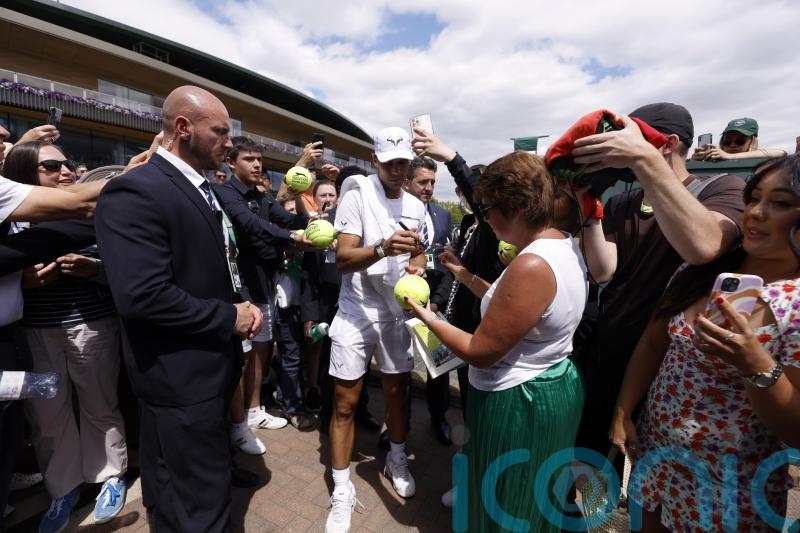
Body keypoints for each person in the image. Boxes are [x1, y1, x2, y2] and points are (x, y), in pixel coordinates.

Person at [95, 85, 263, 532]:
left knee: (180, 494)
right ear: (184, 128)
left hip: (204, 375)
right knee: (199, 506)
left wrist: (239, 300)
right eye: (221, 131)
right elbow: (144, 296)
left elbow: (209, 266)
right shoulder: (135, 191)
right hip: (178, 381)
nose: (229, 143)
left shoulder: (199, 189)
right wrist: (231, 317)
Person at [610, 154, 800, 532]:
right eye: (753, 198)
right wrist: (623, 411)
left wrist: (756, 366)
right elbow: (652, 343)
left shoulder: (794, 304)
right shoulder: (702, 270)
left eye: (779, 203)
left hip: (729, 485)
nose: (756, 212)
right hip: (655, 457)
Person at [405, 150, 588, 532]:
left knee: (507, 502)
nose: (484, 217)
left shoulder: (531, 264)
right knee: (529, 496)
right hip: (549, 385)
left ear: (518, 206)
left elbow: (480, 351)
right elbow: (514, 307)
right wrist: (463, 273)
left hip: (520, 400)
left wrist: (427, 317)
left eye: (488, 208)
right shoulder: (561, 243)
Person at [568, 103, 746, 478]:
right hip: (612, 353)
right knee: (590, 463)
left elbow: (704, 246)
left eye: (636, 139)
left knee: (653, 474)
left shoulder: (722, 188)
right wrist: (589, 210)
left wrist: (646, 165)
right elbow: (603, 271)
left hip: (670, 366)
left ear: (667, 144)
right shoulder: (624, 200)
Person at [3, 141, 127, 531]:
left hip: (92, 324)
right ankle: (62, 490)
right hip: (35, 334)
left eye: (67, 164)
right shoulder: (14, 220)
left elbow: (125, 269)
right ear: (28, 175)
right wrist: (24, 280)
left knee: (99, 403)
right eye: (51, 166)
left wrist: (93, 268)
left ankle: (109, 477)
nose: (66, 171)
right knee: (46, 414)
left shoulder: (93, 214)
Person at [324, 127, 426, 533]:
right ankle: (342, 487)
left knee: (398, 397)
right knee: (345, 403)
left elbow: (418, 254)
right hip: (354, 311)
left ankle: (395, 460)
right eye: (390, 163)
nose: (398, 169)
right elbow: (343, 258)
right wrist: (382, 247)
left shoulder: (416, 204)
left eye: (404, 162)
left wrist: (416, 269)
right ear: (375, 161)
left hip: (394, 313)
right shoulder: (357, 195)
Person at [401, 156, 453, 445]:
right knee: (399, 367)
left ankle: (439, 417)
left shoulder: (443, 216)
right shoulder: (390, 215)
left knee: (440, 366)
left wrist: (436, 302)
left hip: (432, 306)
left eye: (432, 182)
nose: (429, 187)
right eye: (423, 181)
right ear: (407, 183)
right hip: (399, 305)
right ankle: (398, 425)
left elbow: (444, 264)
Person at [692, 117, 786, 161]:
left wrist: (730, 156)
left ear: (752, 142)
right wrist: (694, 163)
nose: (733, 145)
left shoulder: (759, 160)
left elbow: (781, 153)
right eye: (727, 142)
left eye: (740, 141)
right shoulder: (714, 161)